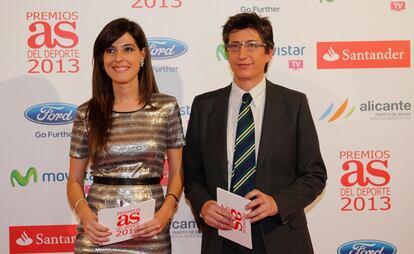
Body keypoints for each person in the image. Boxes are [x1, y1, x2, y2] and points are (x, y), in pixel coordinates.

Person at [183, 12, 327, 254]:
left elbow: (314, 175)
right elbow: (192, 173)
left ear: (269, 52)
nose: (242, 54)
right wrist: (204, 204)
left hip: (280, 236)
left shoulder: (294, 104)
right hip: (222, 238)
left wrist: (276, 203)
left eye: (252, 45)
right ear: (226, 52)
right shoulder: (204, 106)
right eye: (234, 45)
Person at [67, 18, 185, 253]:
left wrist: (165, 213)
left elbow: (178, 172)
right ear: (101, 60)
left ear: (142, 55)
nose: (118, 58)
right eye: (110, 50)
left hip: (150, 230)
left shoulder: (166, 107)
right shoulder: (86, 114)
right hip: (98, 233)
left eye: (127, 49)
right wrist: (86, 216)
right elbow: (74, 181)